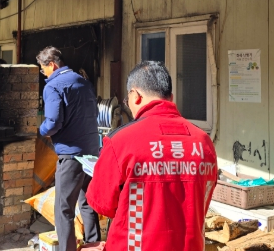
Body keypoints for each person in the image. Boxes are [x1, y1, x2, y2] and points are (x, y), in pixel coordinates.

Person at [86, 61, 217, 251]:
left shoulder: (121, 141)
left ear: (135, 96)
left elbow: (102, 204)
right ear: (171, 97)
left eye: (127, 100)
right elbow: (202, 201)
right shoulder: (204, 142)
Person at [37, 46, 101, 251]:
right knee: (87, 202)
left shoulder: (53, 86)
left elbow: (53, 122)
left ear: (52, 65)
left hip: (71, 155)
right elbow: (94, 113)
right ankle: (94, 245)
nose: (44, 74)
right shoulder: (84, 82)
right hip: (91, 152)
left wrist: (41, 130)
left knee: (63, 208)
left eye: (44, 69)